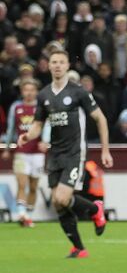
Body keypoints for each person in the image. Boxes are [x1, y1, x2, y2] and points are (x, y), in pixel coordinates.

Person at [18, 49, 113, 258]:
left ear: (67, 65)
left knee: (62, 196)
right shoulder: (43, 95)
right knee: (58, 202)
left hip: (74, 153)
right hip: (55, 153)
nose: (58, 65)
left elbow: (101, 119)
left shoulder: (78, 92)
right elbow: (37, 125)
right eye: (54, 62)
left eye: (62, 61)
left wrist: (105, 150)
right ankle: (79, 247)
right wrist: (27, 136)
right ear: (49, 66)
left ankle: (96, 210)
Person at [2, 79, 50, 227]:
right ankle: (22, 214)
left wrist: (45, 141)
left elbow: (47, 126)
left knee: (34, 186)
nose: (29, 93)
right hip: (21, 151)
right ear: (22, 92)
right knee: (22, 184)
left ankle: (28, 215)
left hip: (37, 153)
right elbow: (11, 129)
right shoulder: (16, 108)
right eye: (26, 90)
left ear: (36, 92)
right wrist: (7, 148)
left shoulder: (42, 108)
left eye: (32, 90)